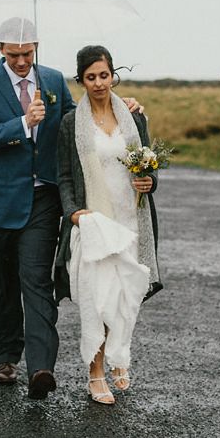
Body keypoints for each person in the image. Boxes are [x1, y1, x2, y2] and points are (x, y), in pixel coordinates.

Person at [0, 18, 142, 400]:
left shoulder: (53, 81)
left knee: (36, 279)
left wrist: (121, 106)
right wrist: (21, 123)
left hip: (43, 199)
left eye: (28, 53)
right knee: (1, 279)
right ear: (1, 51)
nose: (23, 61)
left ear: (36, 47)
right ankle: (7, 354)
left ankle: (41, 369)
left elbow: (77, 125)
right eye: (14, 55)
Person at [55, 45, 162, 404]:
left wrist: (150, 182)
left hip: (131, 216)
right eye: (91, 77)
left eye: (105, 75)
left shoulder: (134, 116)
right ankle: (96, 372)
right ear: (81, 81)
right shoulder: (72, 122)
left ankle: (119, 357)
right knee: (99, 299)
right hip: (97, 221)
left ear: (113, 74)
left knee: (128, 294)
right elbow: (65, 176)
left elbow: (148, 169)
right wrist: (73, 213)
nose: (99, 83)